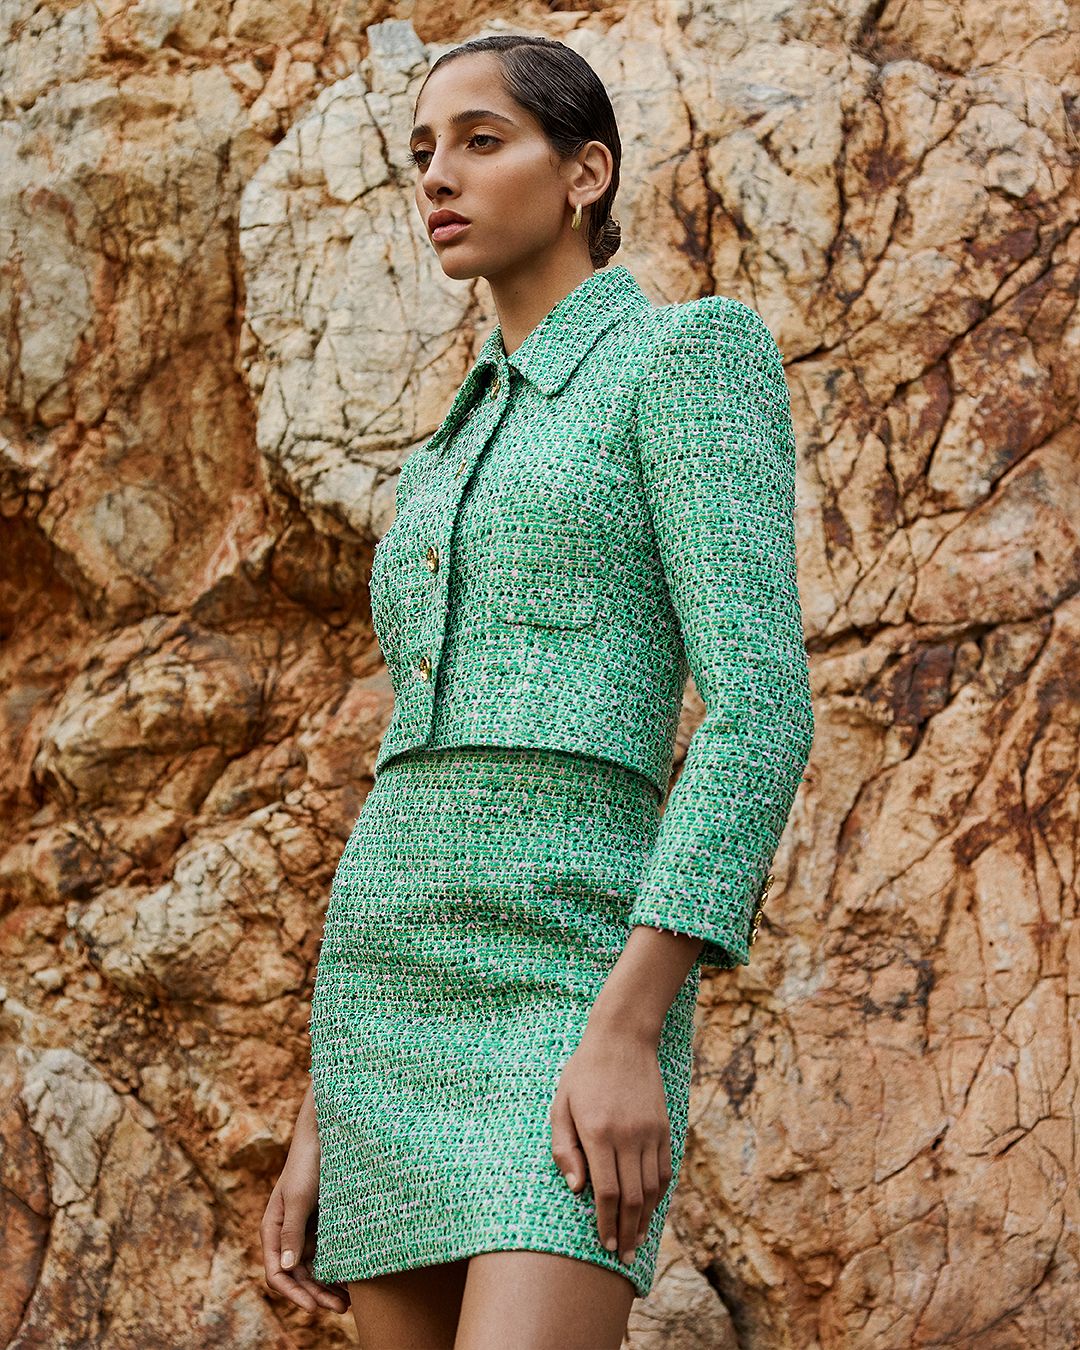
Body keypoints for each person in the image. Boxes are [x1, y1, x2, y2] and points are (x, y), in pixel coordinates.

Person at [261, 32, 814, 1350]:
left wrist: (632, 1020)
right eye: (421, 152)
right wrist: (321, 1106)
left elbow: (759, 713)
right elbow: (414, 751)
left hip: (575, 974)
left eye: (480, 139)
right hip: (386, 1000)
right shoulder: (444, 446)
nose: (437, 176)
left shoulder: (683, 359)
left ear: (585, 173)